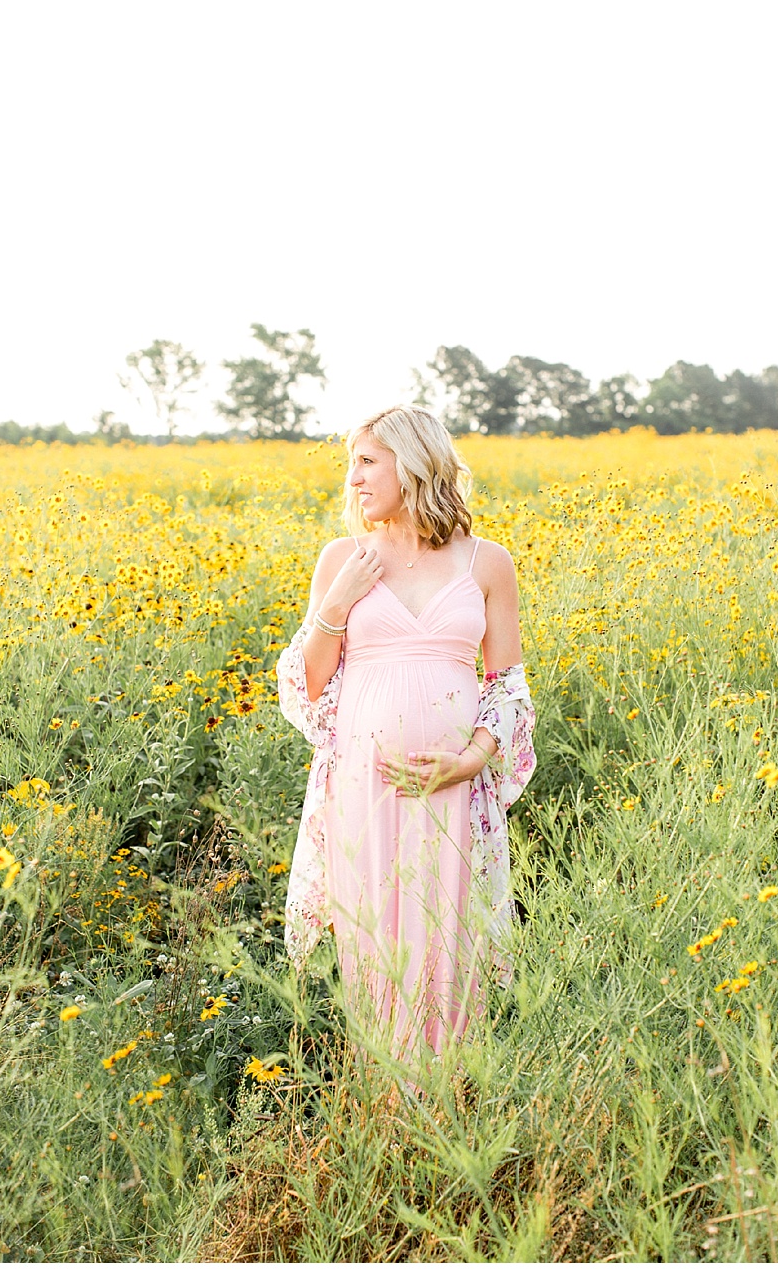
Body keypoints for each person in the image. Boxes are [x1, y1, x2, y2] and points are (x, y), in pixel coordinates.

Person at [275, 405, 536, 1062]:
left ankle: (449, 1105)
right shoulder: (343, 557)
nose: (353, 479)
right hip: (367, 789)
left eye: (366, 461)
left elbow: (506, 685)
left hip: (452, 788)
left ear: (412, 463)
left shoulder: (487, 562)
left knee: (451, 947)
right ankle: (386, 1109)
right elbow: (308, 684)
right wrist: (335, 605)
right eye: (351, 465)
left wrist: (470, 760)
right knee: (377, 950)